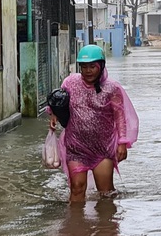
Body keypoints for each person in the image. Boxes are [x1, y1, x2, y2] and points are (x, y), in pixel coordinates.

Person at [49, 45, 139, 202]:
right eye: (84, 67)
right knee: (77, 188)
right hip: (76, 147)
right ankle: (76, 224)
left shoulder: (112, 88)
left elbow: (120, 116)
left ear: (101, 66)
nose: (88, 71)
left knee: (106, 193)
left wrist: (122, 142)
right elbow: (59, 102)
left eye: (92, 67)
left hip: (103, 149)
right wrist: (54, 114)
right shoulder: (70, 83)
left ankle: (106, 225)